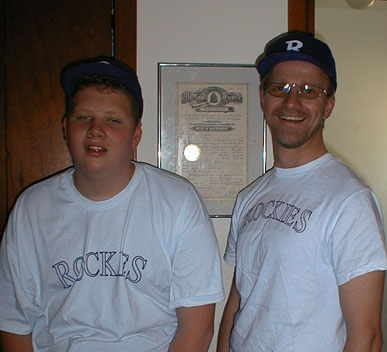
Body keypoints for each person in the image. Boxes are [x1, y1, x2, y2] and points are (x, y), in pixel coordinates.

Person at [0, 56, 224, 351]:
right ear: (66, 128)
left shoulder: (178, 202)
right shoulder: (31, 209)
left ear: (136, 134)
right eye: (83, 117)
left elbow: (196, 329)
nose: (96, 129)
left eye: (113, 120)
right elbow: (14, 324)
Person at [217, 31, 387, 352]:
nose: (291, 102)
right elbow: (241, 297)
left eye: (309, 91)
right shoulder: (250, 197)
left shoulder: (350, 201)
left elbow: (366, 336)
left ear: (328, 106)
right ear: (264, 99)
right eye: (280, 88)